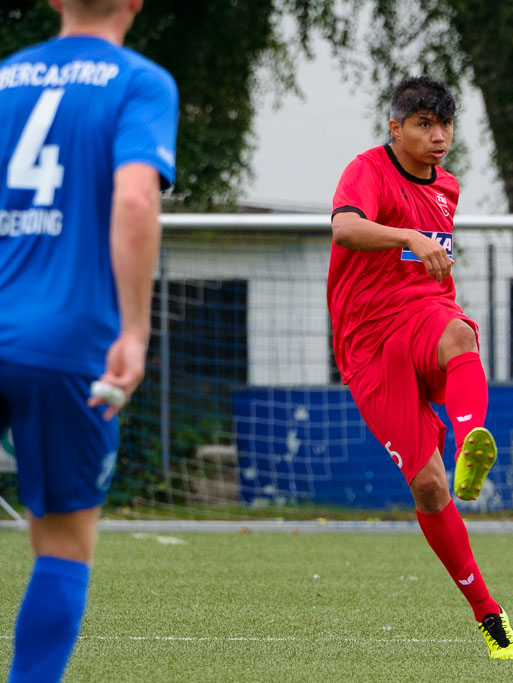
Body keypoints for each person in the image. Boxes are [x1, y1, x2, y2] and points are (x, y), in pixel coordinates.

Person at [0, 0, 178, 680]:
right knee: (64, 542)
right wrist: (134, 329)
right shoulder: (140, 81)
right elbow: (134, 198)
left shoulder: (4, 78)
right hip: (66, 343)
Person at [328, 75, 513, 660]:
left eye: (445, 125)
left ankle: (471, 446)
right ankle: (489, 614)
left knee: (460, 335)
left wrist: (421, 249)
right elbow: (344, 226)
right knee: (427, 487)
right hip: (367, 341)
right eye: (424, 125)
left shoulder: (448, 186)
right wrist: (409, 236)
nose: (438, 137)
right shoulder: (366, 169)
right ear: (397, 128)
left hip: (424, 313)